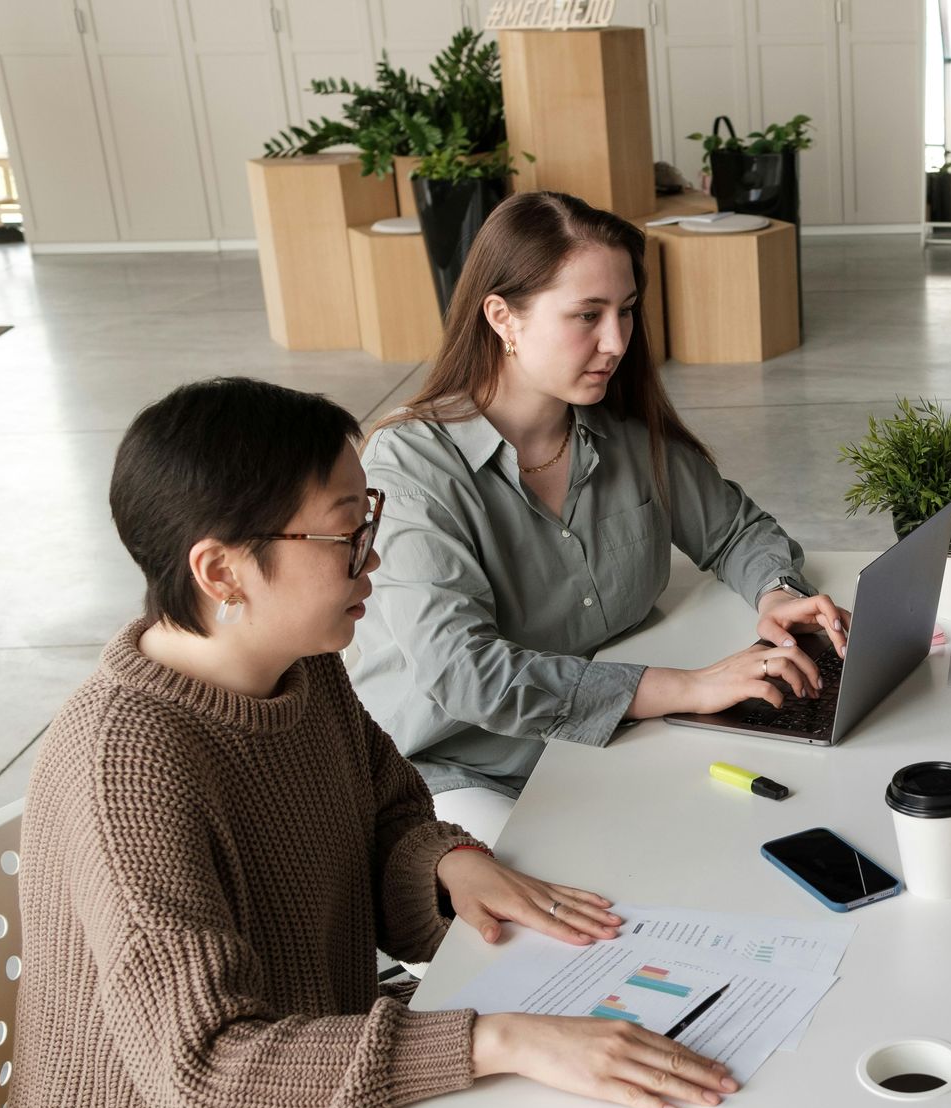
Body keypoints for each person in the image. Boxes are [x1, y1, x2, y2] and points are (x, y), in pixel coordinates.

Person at [6, 379, 739, 1108]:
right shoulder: (124, 768)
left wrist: (445, 864)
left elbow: (388, 812)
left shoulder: (301, 670)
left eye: (370, 518)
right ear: (221, 570)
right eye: (342, 533)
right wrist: (496, 1040)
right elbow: (212, 1069)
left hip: (308, 1096)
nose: (373, 558)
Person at [351, 191, 849, 844]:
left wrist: (775, 591)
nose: (615, 342)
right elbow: (465, 676)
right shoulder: (412, 464)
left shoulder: (621, 433)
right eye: (587, 315)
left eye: (626, 312)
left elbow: (736, 531)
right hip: (457, 771)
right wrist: (688, 687)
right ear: (503, 317)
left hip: (611, 742)